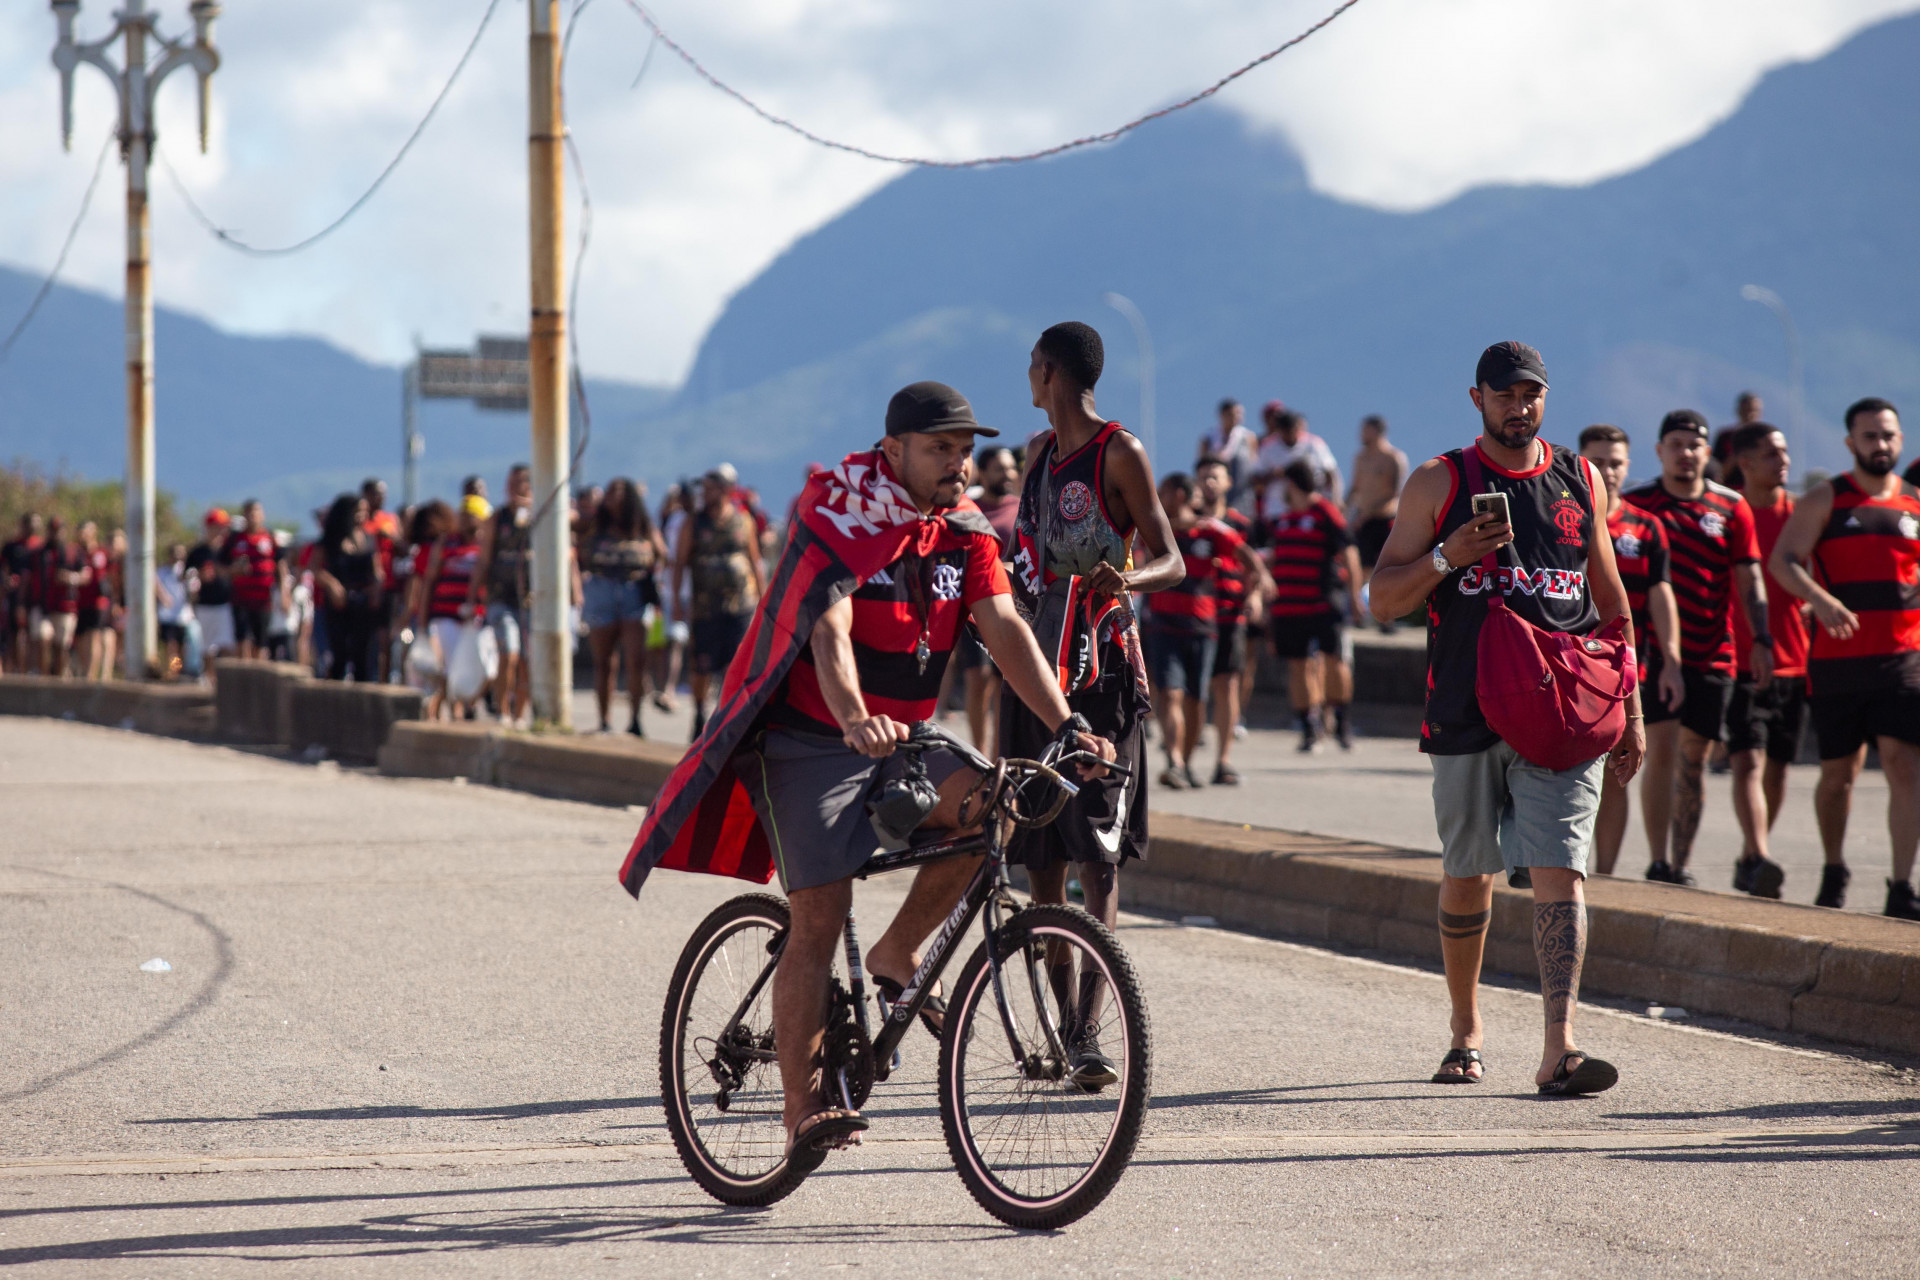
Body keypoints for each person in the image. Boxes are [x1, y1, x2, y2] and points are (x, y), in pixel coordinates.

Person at [629, 380, 1118, 1160]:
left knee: (990, 805)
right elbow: (827, 628)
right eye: (939, 450)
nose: (958, 465)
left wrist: (1070, 725)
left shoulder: (962, 532)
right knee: (818, 913)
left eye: (964, 450)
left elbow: (1004, 629)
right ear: (893, 451)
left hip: (903, 736)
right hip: (810, 739)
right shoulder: (837, 515)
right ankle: (801, 1107)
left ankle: (896, 953)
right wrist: (853, 714)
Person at [1368, 340, 1641, 1095]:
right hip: (1465, 705)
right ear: (1476, 398)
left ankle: (1561, 1047)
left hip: (1563, 709)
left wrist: (1632, 707)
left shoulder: (1579, 477)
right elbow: (1382, 597)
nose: (1520, 408)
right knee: (1468, 876)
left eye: (1532, 394)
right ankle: (1465, 1030)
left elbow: (1611, 599)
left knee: (1563, 873)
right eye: (1505, 395)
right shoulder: (1440, 479)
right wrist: (1448, 557)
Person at [1002, 322, 1181, 1078]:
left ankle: (1086, 1035)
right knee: (1041, 854)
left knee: (1098, 856)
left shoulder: (1119, 451)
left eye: (1032, 368)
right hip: (1038, 669)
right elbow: (1026, 557)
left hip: (1104, 669)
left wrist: (1126, 580)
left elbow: (1170, 557)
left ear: (1050, 372)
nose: (1028, 379)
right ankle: (1059, 1023)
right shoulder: (1038, 457)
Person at [1770, 398, 1920, 919]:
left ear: (1901, 440)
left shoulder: (1915, 505)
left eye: (1889, 435)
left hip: (1903, 659)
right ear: (1850, 442)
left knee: (1904, 765)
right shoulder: (1825, 500)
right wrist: (1821, 599)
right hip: (1838, 662)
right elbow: (1783, 560)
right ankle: (1835, 869)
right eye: (1870, 436)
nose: (1881, 445)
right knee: (1839, 776)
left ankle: (1902, 885)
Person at [1623, 411, 1771, 886]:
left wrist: (1763, 638)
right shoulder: (1637, 505)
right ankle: (1658, 859)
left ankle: (1681, 864)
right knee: (1661, 751)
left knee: (1696, 758)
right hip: (1651, 653)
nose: (1686, 453)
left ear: (1708, 453)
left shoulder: (1731, 507)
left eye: (1695, 445)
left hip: (1714, 652)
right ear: (1660, 450)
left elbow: (1750, 580)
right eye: (1677, 444)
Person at [1579, 425, 1685, 876]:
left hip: (1624, 667)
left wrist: (1673, 660)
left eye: (1616, 462)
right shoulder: (1562, 520)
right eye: (1598, 461)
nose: (1608, 470)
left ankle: (1605, 872)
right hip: (1571, 665)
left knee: (1616, 773)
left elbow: (1662, 595)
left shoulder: (1647, 527)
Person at [1724, 422, 1810, 897]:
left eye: (1785, 452)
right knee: (1747, 761)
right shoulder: (1731, 510)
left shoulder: (1798, 514)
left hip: (1794, 658)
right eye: (1773, 453)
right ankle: (1759, 854)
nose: (1784, 461)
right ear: (1747, 462)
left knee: (1777, 766)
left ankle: (1751, 854)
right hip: (1739, 657)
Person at [1141, 472, 1266, 786]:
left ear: (1179, 496)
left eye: (1163, 491)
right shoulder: (1155, 529)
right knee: (1170, 694)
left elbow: (1250, 560)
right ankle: (1174, 761)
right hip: (1163, 626)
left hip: (1202, 627)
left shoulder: (1211, 531)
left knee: (1196, 700)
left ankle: (1186, 763)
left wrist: (1253, 592)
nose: (1157, 496)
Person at [1265, 460, 1365, 752]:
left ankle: (1342, 723)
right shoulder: (1283, 519)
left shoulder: (1326, 513)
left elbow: (1350, 555)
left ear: (1292, 485)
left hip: (1324, 603)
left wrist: (1355, 597)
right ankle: (1309, 728)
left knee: (1334, 661)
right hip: (1288, 606)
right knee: (1298, 666)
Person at [674, 463, 766, 741]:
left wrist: (764, 598)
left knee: (736, 661)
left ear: (727, 490)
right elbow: (679, 562)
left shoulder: (743, 520)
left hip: (741, 604)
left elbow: (754, 559)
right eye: (705, 488)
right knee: (701, 664)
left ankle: (726, 716)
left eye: (713, 487)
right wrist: (678, 600)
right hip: (705, 606)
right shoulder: (694, 522)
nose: (706, 493)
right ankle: (700, 712)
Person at [583, 477, 669, 735]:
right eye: (611, 494)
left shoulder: (642, 525)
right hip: (602, 590)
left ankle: (635, 719)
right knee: (604, 662)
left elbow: (662, 553)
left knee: (636, 659)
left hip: (634, 592)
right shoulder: (595, 525)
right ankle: (605, 720)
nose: (615, 500)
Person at [1194, 456, 1261, 778]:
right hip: (1192, 614)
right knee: (1190, 689)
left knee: (1227, 684)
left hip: (1230, 613)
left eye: (1215, 477)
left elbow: (1257, 567)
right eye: (1204, 476)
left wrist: (1256, 596)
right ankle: (1184, 758)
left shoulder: (1241, 525)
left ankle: (1223, 760)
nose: (1209, 482)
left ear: (1228, 483)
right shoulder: (1185, 523)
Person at [956, 445, 1021, 755]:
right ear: (983, 471)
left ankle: (998, 755)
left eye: (1011, 468)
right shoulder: (968, 508)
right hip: (972, 609)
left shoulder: (1023, 508)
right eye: (1000, 468)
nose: (1008, 474)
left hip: (1012, 609)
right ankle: (977, 751)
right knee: (977, 678)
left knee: (1004, 681)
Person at [470, 464, 535, 725]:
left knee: (527, 660)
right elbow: (484, 559)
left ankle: (520, 714)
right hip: (501, 595)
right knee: (509, 653)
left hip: (533, 599)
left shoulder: (542, 515)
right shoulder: (498, 518)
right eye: (510, 482)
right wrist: (473, 595)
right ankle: (503, 712)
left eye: (519, 482)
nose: (512, 488)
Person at [412, 496, 486, 720]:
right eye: (462, 515)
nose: (465, 520)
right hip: (444, 615)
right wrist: (423, 622)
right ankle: (445, 713)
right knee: (447, 668)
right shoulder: (446, 543)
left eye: (470, 515)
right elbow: (428, 581)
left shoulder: (485, 544)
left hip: (476, 618)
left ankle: (461, 706)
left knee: (483, 668)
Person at [311, 494, 384, 682]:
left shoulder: (368, 539)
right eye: (358, 511)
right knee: (339, 652)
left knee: (363, 654)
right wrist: (332, 584)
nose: (361, 515)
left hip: (363, 601)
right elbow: (315, 568)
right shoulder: (331, 539)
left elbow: (377, 571)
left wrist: (376, 590)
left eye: (364, 511)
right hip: (338, 601)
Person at [1348, 415, 1409, 613]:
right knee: (1363, 569)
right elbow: (1355, 488)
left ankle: (1388, 615)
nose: (1362, 435)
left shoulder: (1393, 457)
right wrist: (1343, 509)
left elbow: (1395, 492)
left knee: (1385, 569)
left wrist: (1371, 511)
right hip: (1364, 521)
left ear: (1376, 431)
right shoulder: (1361, 457)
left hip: (1385, 519)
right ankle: (1363, 613)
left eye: (1365, 430)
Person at [1254, 404, 1342, 519]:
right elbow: (1256, 478)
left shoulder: (1314, 444)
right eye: (1285, 430)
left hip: (1311, 508)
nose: (1289, 434)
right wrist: (1275, 474)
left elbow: (1331, 473)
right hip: (1278, 510)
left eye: (1292, 429)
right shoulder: (1268, 447)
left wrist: (1335, 499)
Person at [223, 500, 286, 661]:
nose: (253, 516)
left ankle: (259, 675)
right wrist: (234, 570)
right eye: (249, 512)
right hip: (241, 597)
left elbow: (281, 566)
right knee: (242, 637)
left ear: (262, 514)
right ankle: (242, 675)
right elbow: (220, 565)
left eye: (256, 512)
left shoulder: (270, 537)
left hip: (264, 598)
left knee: (262, 640)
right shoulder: (234, 539)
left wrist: (285, 594)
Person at [649, 483, 691, 713]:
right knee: (672, 640)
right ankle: (669, 688)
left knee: (679, 641)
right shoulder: (672, 521)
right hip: (672, 590)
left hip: (690, 590)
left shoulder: (689, 520)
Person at [186, 510, 235, 668]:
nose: (221, 531)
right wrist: (198, 576)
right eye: (218, 527)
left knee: (227, 645)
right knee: (206, 646)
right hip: (204, 604)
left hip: (224, 603)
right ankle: (209, 679)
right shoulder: (198, 552)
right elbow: (186, 575)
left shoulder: (227, 550)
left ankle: (226, 682)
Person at [32, 517, 78, 677]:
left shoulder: (71, 552)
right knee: (43, 638)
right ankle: (44, 677)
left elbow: (85, 573)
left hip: (65, 606)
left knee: (61, 646)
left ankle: (58, 680)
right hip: (43, 605)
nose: (55, 534)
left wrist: (71, 578)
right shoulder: (39, 552)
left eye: (58, 530)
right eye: (53, 530)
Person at [1197, 397, 1259, 511]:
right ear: (1222, 415)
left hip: (1242, 495)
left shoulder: (1248, 437)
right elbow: (1201, 465)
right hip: (1216, 494)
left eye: (1239, 414)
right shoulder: (1208, 438)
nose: (1237, 418)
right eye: (1233, 414)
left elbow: (1254, 463)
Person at [71, 521, 114, 681]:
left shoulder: (100, 553)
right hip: (81, 601)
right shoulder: (79, 553)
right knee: (81, 638)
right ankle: (84, 670)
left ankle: (91, 674)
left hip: (98, 602)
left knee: (94, 637)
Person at [3, 514, 45, 674]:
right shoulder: (12, 546)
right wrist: (7, 581)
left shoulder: (40, 547)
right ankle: (14, 669)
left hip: (35, 598)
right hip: (14, 598)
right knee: (14, 633)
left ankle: (30, 669)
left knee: (33, 636)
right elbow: (4, 568)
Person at [1709, 391, 1766, 485]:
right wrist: (1737, 453)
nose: (1750, 415)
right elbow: (1718, 473)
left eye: (1754, 411)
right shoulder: (1725, 437)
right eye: (1746, 410)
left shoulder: (1766, 440)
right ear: (1739, 411)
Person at [156, 542, 194, 680]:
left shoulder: (187, 572)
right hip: (167, 616)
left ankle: (179, 671)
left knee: (182, 646)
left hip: (183, 616)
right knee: (171, 645)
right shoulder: (161, 572)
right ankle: (172, 672)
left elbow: (193, 591)